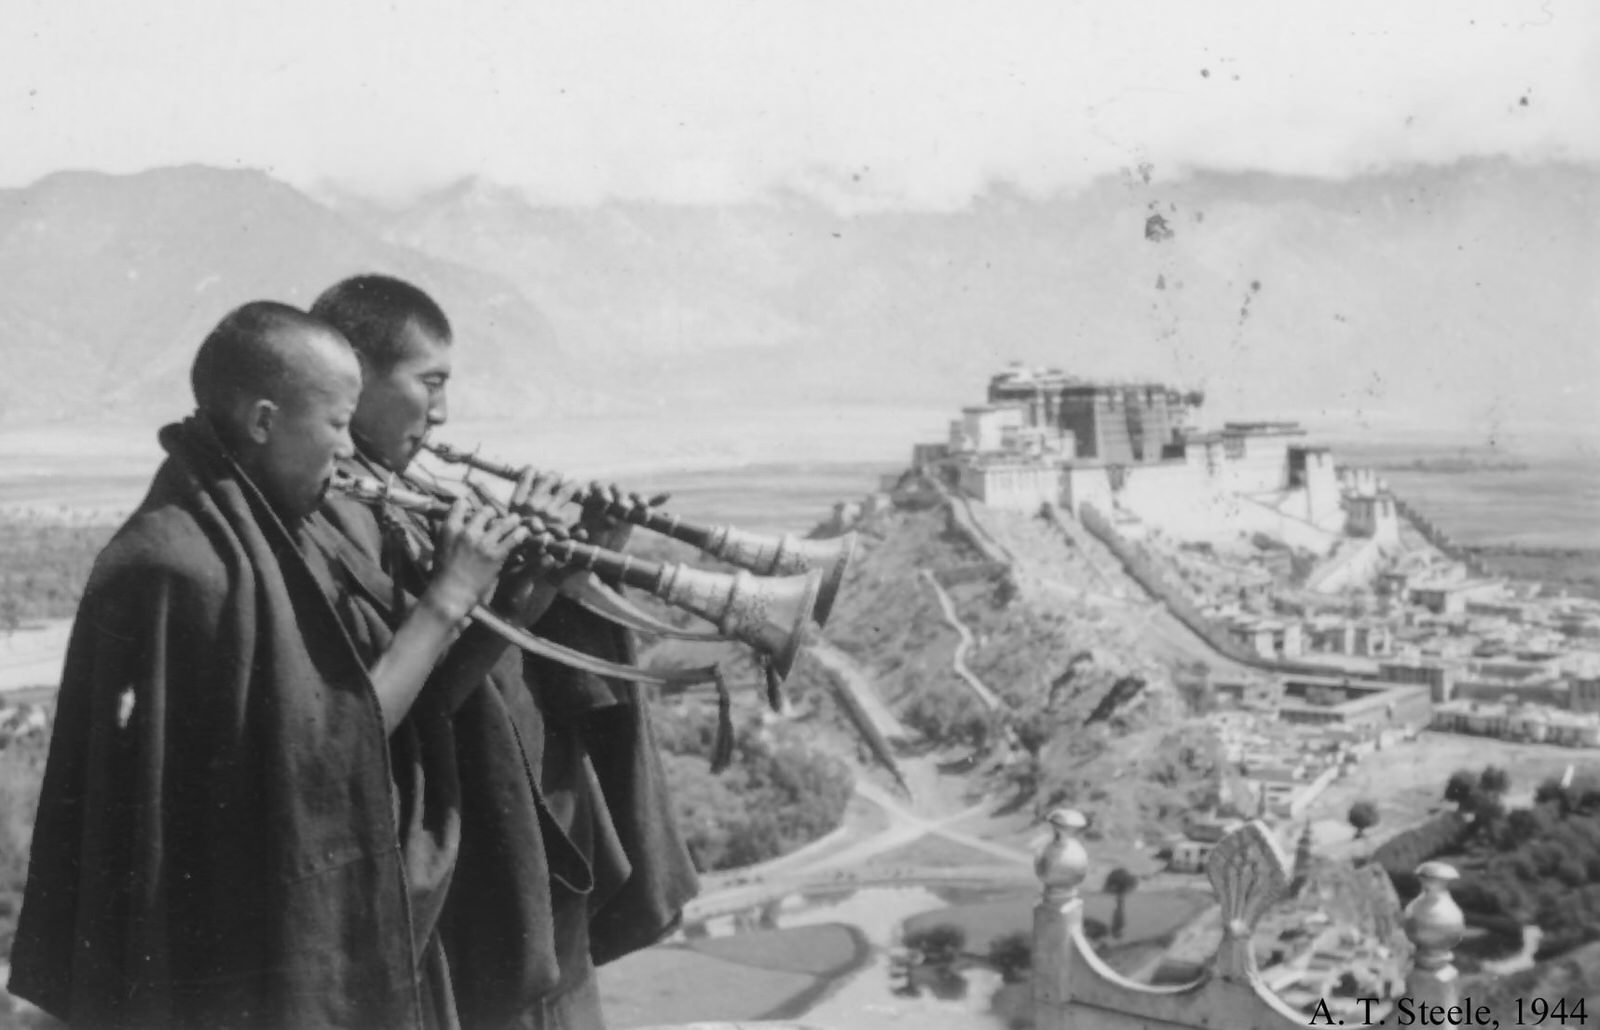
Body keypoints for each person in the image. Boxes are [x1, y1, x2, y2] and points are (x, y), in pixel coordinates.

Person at [8, 301, 530, 1030]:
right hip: (234, 965)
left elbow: (380, 715)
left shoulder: (266, 531)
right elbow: (324, 756)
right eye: (337, 424)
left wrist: (514, 592)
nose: (348, 450)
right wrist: (443, 602)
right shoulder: (175, 567)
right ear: (262, 421)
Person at [309, 274, 700, 1030]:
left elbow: (509, 643)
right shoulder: (329, 514)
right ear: (353, 376)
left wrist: (582, 560)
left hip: (541, 829)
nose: (444, 411)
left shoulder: (405, 487)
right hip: (476, 862)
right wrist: (507, 594)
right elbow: (408, 711)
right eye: (430, 382)